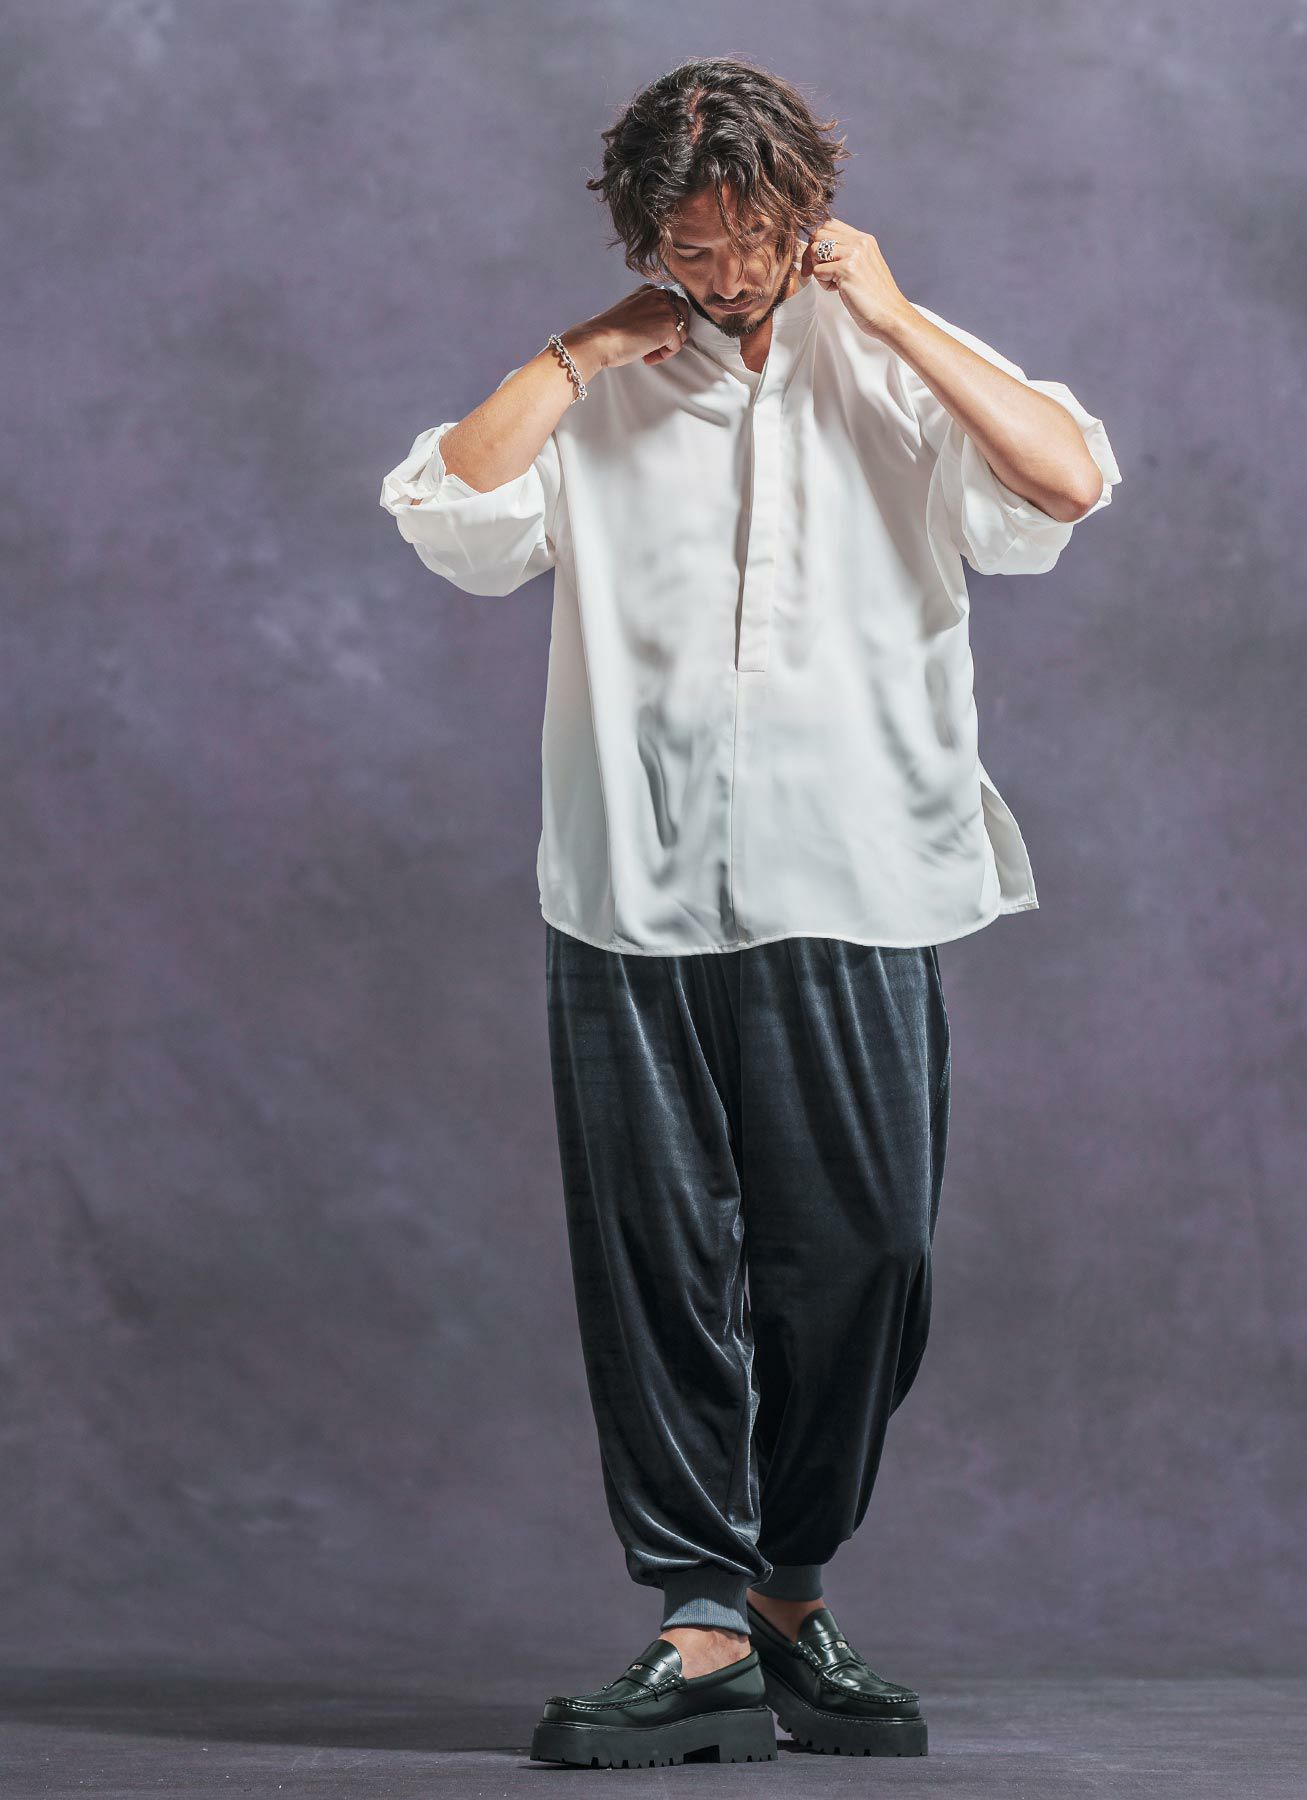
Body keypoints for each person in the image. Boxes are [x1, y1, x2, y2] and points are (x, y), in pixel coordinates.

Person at [379, 55, 1121, 1770]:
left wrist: (900, 315)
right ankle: (702, 1621)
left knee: (867, 1254)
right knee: (656, 1263)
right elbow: (452, 510)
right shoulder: (603, 383)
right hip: (631, 892)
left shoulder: (896, 360)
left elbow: (1064, 483)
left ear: (809, 214)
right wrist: (577, 353)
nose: (724, 277)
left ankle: (789, 1590)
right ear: (645, 237)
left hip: (859, 881)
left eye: (754, 241)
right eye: (690, 249)